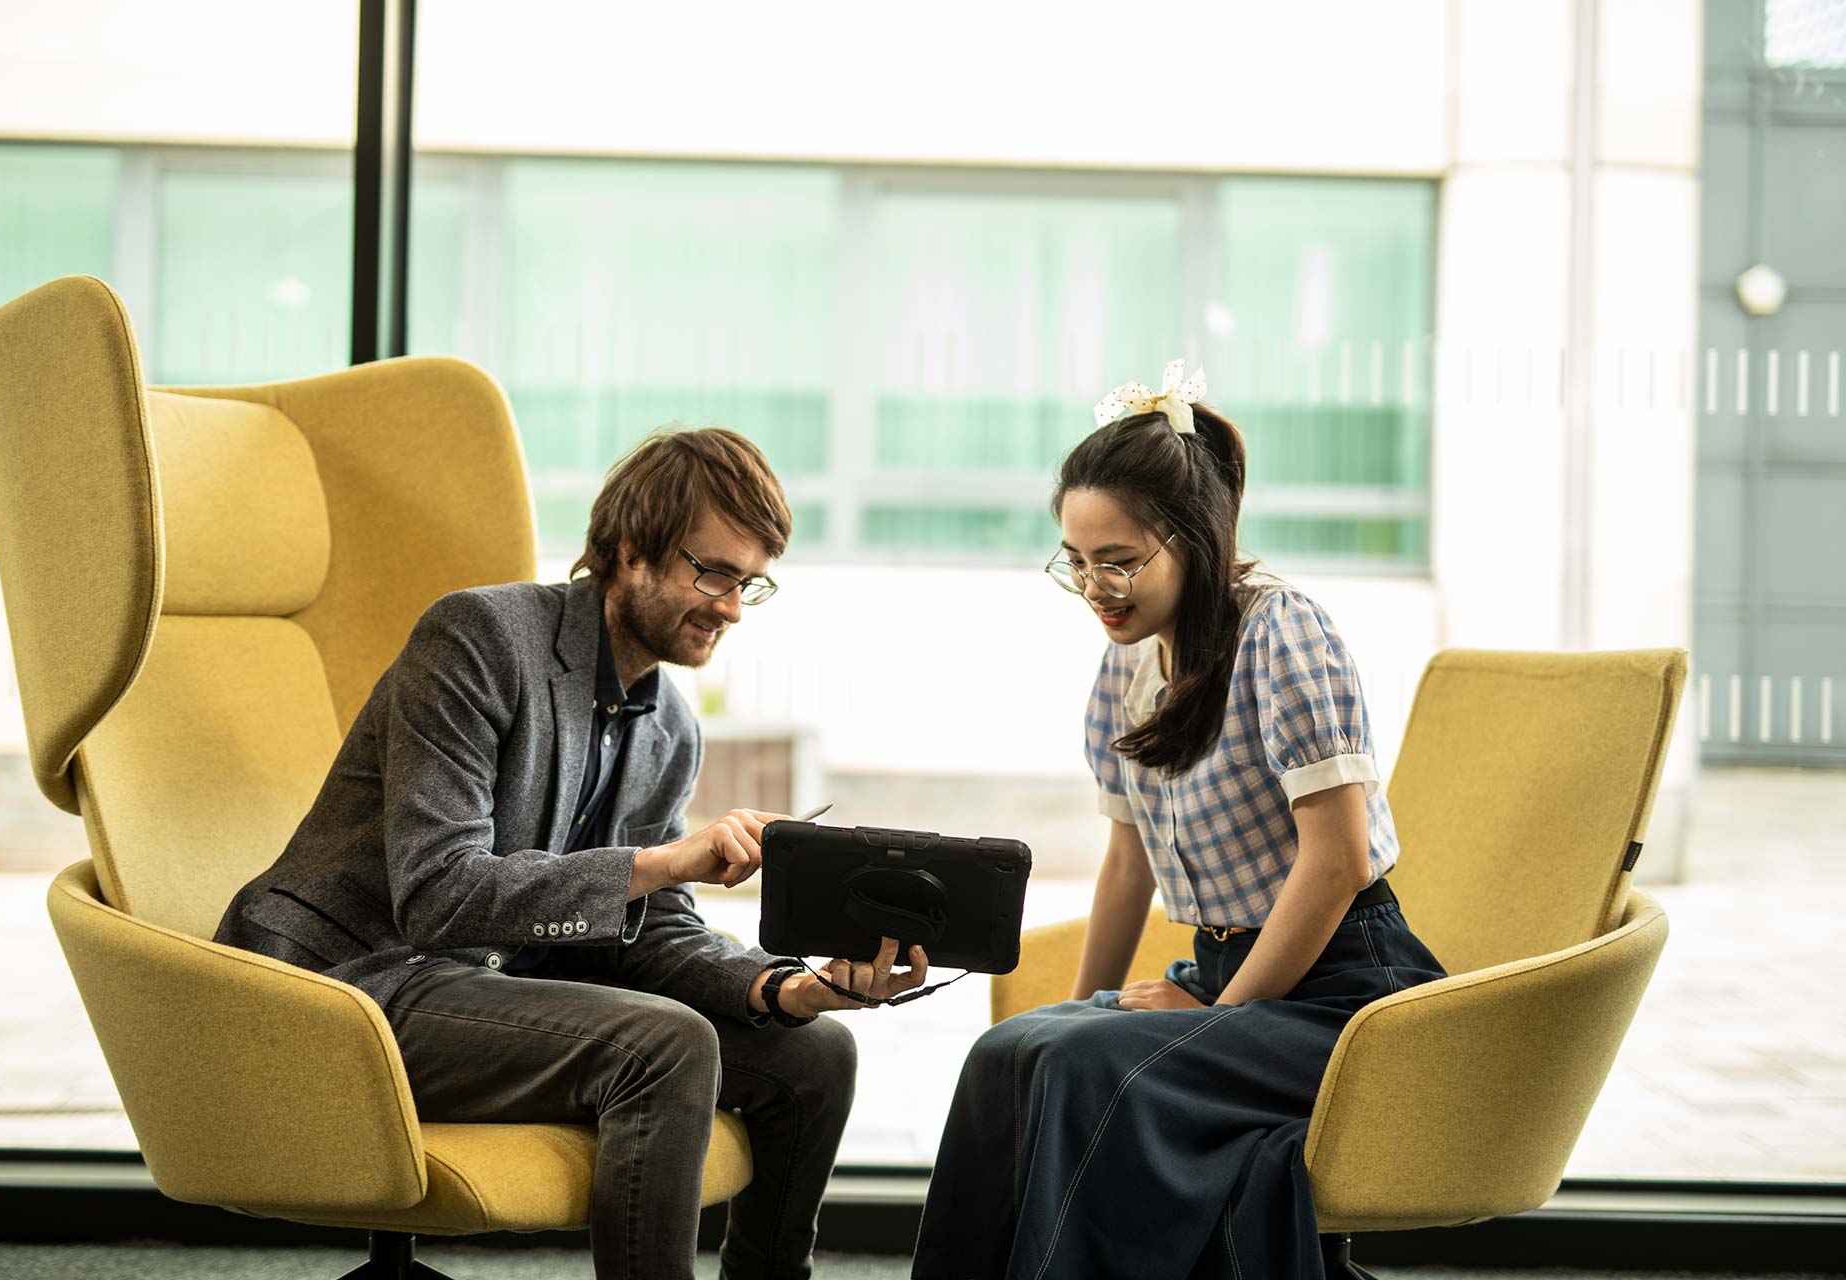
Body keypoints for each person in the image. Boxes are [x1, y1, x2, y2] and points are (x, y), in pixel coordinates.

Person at [215, 426, 926, 1280]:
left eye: (750, 583)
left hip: (479, 990)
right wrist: (662, 861)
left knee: (814, 1056)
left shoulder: (667, 727)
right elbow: (436, 896)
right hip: (348, 985)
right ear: (628, 552)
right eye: (713, 573)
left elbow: (650, 937)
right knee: (662, 1045)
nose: (732, 608)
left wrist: (793, 986)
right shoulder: (478, 637)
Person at [911, 365, 1448, 1280]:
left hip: (1346, 991)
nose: (1095, 586)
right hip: (1232, 973)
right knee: (1014, 1052)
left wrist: (1219, 1013)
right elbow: (1130, 864)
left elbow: (1339, 863)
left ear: (1193, 538)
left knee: (1089, 1072)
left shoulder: (1284, 633)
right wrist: (1076, 1007)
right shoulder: (1128, 665)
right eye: (1076, 562)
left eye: (1118, 561)